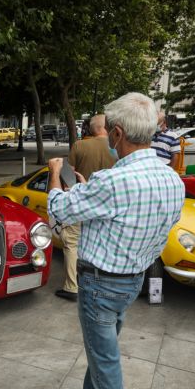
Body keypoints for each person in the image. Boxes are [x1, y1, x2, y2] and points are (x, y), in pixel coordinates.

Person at [47, 92, 185, 389]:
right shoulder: (172, 179)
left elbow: (59, 210)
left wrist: (55, 173)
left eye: (110, 129)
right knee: (101, 350)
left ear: (118, 133)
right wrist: (85, 190)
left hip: (100, 286)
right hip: (132, 280)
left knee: (105, 361)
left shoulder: (113, 181)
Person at [55, 114, 115, 302]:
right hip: (108, 205)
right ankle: (101, 284)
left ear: (92, 128)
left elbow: (68, 175)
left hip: (81, 203)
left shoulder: (80, 146)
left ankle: (72, 287)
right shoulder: (117, 149)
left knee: (72, 243)